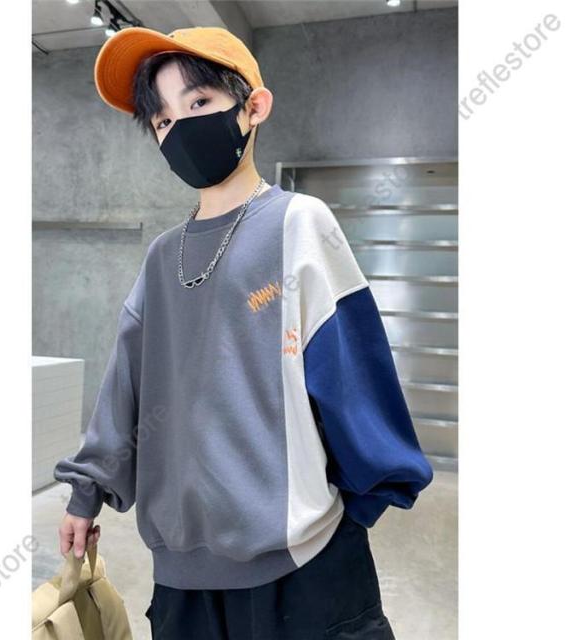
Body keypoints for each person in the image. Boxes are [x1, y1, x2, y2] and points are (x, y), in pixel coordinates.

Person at [53, 25, 434, 639]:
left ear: (253, 107)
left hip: (302, 565)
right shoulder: (163, 256)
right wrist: (85, 492)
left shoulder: (299, 223)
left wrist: (353, 507)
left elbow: (351, 371)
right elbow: (125, 384)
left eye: (199, 102)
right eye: (163, 121)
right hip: (182, 574)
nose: (180, 128)